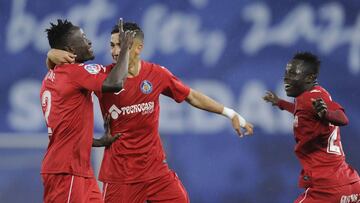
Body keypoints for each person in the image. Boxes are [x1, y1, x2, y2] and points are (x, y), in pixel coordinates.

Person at [48, 21, 254, 203]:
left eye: (121, 45)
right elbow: (66, 75)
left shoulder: (156, 74)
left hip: (156, 172)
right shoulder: (103, 75)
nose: (115, 51)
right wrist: (51, 55)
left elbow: (191, 96)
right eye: (112, 45)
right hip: (120, 177)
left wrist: (230, 112)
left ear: (138, 48)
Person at [40, 19, 134, 202]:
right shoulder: (74, 73)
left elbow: (64, 130)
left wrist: (95, 141)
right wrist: (125, 50)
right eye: (83, 38)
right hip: (66, 171)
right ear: (71, 49)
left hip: (78, 169)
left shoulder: (51, 76)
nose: (89, 41)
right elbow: (115, 83)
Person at [263, 52, 360, 203]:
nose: (286, 77)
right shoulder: (318, 93)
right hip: (350, 183)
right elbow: (304, 111)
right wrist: (280, 103)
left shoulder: (309, 99)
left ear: (309, 77)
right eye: (286, 72)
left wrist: (326, 114)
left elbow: (342, 118)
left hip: (327, 189)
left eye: (293, 73)